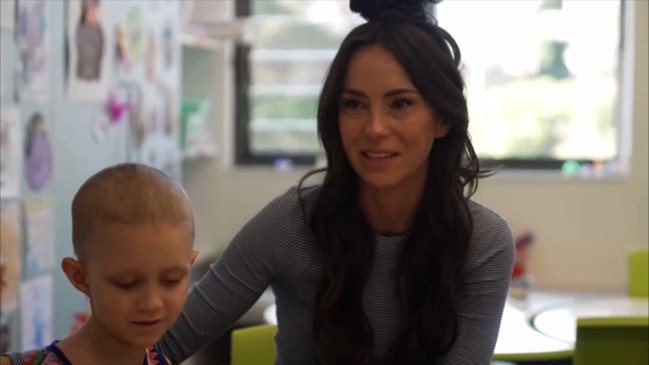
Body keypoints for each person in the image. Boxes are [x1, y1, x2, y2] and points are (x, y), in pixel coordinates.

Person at [4, 0, 515, 364]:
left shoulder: (484, 243)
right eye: (354, 104)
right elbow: (165, 337)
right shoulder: (293, 221)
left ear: (442, 118)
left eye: (400, 103)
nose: (373, 128)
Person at [6, 163, 198, 365]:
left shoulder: (158, 361)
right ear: (80, 278)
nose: (152, 303)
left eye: (171, 280)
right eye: (127, 283)